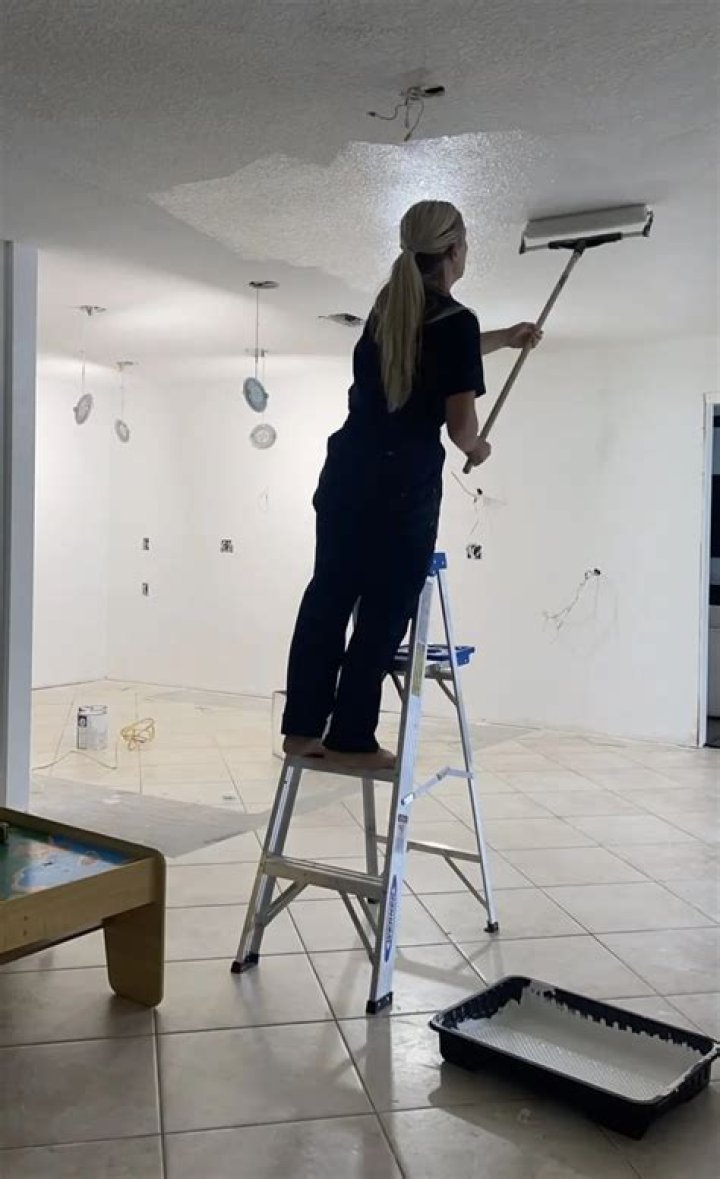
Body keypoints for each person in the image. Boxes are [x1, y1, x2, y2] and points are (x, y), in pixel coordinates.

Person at [282, 200, 541, 770]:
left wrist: (504, 337)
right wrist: (477, 449)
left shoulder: (387, 310)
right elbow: (461, 427)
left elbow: (433, 349)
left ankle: (301, 731)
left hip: (347, 474)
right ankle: (352, 738)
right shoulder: (454, 321)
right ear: (454, 251)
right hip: (402, 485)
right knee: (384, 608)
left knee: (329, 596)